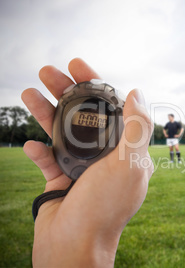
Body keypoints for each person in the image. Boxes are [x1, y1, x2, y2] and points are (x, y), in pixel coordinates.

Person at [21, 58, 154, 267]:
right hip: (68, 157)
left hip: (68, 158)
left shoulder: (76, 105)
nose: (89, 122)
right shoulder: (105, 107)